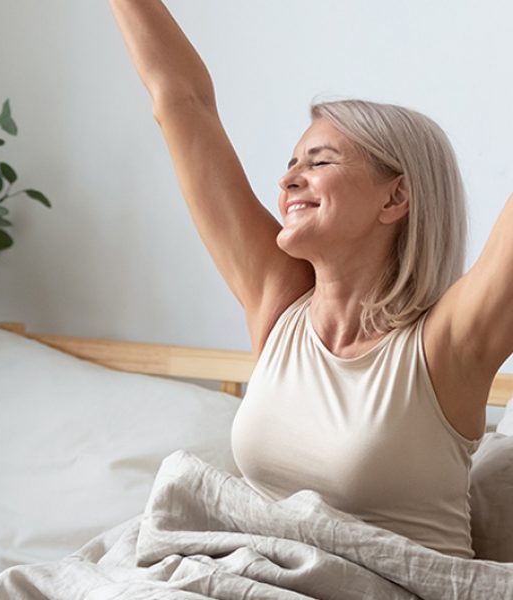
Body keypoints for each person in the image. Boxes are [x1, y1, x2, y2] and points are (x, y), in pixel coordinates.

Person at [109, 0, 513, 559]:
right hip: (254, 577)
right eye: (292, 162)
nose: (288, 180)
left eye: (318, 162)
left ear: (396, 196)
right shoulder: (278, 306)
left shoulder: (447, 345)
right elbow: (184, 103)